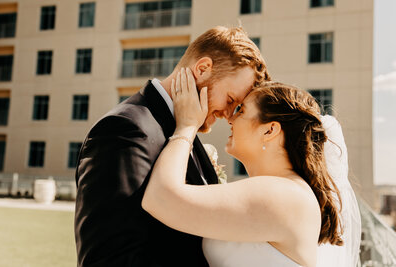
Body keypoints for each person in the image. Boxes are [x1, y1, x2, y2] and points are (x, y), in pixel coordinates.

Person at [74, 26, 270, 266]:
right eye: (230, 100)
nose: (229, 116)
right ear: (202, 69)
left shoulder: (184, 132)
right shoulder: (124, 129)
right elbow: (111, 257)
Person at [142, 73, 347, 267]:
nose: (230, 118)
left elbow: (160, 199)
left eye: (241, 110)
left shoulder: (284, 194)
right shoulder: (287, 191)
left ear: (270, 130)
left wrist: (186, 126)